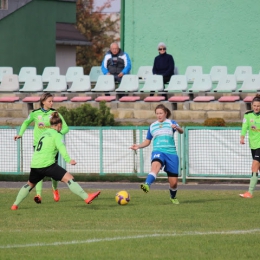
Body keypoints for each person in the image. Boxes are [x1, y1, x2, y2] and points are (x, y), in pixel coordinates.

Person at [11, 112, 101, 210]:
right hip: (47, 164)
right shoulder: (57, 135)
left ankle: (15, 204)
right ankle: (87, 197)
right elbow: (61, 147)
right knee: (69, 178)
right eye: (61, 126)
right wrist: (68, 159)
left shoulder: (44, 133)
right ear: (59, 125)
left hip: (35, 164)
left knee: (29, 184)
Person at [14, 93, 69, 204]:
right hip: (38, 146)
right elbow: (26, 122)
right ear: (43, 102)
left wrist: (57, 133)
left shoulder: (55, 113)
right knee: (38, 169)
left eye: (52, 101)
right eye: (50, 101)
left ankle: (55, 188)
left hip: (51, 146)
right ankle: (38, 195)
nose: (52, 103)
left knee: (54, 169)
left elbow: (66, 128)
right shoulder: (35, 113)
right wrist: (20, 134)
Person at [130, 104, 183, 204]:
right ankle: (147, 184)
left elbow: (181, 131)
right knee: (155, 167)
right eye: (157, 113)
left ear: (165, 113)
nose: (159, 115)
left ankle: (173, 197)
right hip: (158, 151)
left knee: (174, 183)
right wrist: (138, 146)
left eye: (161, 113)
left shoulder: (171, 123)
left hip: (171, 154)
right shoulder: (152, 126)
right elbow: (147, 141)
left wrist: (177, 128)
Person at [239, 94, 260, 198]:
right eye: (255, 105)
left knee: (254, 166)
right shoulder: (248, 115)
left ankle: (250, 192)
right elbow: (244, 127)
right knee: (258, 169)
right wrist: (242, 137)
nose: (256, 107)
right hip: (253, 145)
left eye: (258, 106)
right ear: (252, 105)